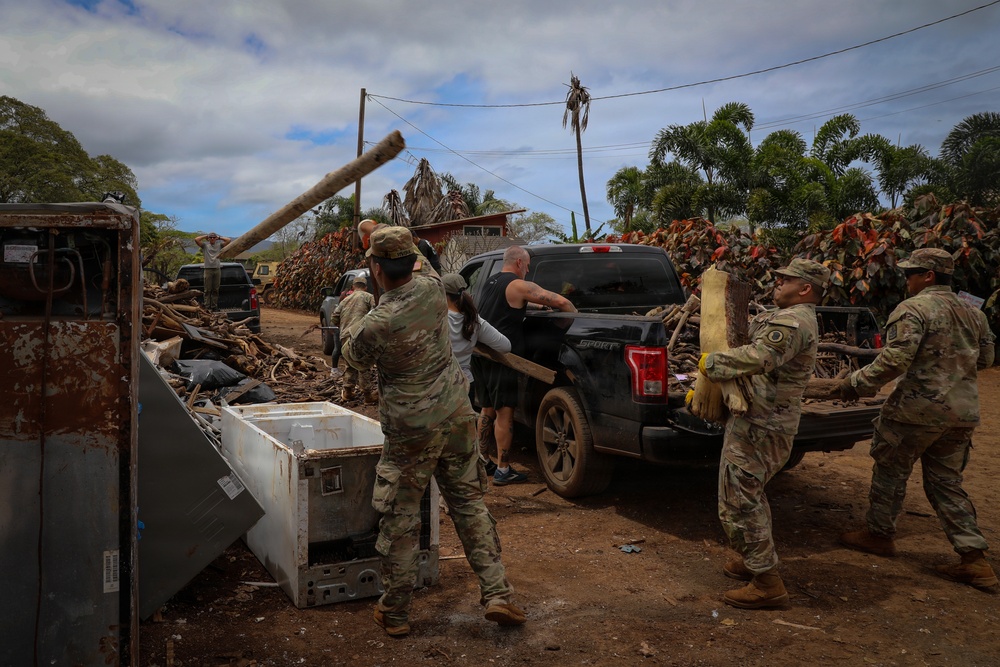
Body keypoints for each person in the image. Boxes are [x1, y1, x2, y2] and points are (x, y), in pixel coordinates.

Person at [341, 225, 526, 637]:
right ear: (411, 262)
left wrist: (356, 306)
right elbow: (417, 255)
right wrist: (377, 236)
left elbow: (351, 357)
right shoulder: (431, 288)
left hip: (411, 430)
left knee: (402, 516)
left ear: (374, 268)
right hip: (458, 415)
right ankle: (497, 593)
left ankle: (395, 611)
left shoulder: (378, 320)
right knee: (469, 505)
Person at [837, 248, 997, 590]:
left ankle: (878, 535)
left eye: (911, 273)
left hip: (915, 410)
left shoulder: (913, 309)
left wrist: (854, 384)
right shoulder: (974, 313)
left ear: (928, 276)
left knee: (891, 471)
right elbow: (984, 359)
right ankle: (974, 559)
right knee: (946, 483)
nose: (905, 279)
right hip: (961, 413)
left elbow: (895, 360)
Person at [698, 258, 829, 609]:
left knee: (739, 498)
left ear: (805, 288)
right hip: (759, 420)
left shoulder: (794, 320)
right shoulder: (786, 317)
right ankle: (752, 559)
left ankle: (767, 583)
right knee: (749, 492)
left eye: (786, 279)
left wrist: (711, 364)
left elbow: (761, 356)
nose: (778, 281)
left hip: (763, 425)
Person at [472, 246, 577, 485]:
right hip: (502, 359)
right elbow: (561, 300)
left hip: (482, 356)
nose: (528, 270)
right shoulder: (518, 284)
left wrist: (537, 307)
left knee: (486, 409)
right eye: (527, 265)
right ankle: (503, 469)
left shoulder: (492, 281)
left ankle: (483, 459)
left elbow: (513, 304)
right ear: (519, 262)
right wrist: (571, 317)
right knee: (504, 413)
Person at [443, 272, 511, 472]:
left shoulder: (435, 318)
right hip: (465, 384)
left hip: (441, 385)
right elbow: (505, 345)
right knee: (462, 436)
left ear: (442, 294)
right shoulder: (474, 320)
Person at [331, 275, 376, 403]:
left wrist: (343, 325)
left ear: (353, 287)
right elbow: (375, 313)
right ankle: (367, 396)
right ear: (365, 287)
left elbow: (334, 317)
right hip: (360, 336)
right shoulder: (369, 297)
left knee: (350, 364)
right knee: (363, 364)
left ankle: (348, 392)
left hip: (345, 337)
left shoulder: (345, 299)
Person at [193, 232, 231, 311]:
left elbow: (228, 240)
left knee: (215, 289)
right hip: (208, 269)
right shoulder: (205, 246)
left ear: (216, 238)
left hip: (217, 269)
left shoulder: (219, 245)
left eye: (214, 237)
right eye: (211, 237)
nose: (212, 239)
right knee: (207, 290)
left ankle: (214, 306)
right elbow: (196, 239)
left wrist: (219, 237)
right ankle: (207, 306)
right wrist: (205, 236)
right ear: (209, 238)